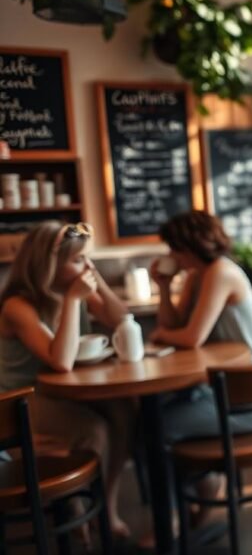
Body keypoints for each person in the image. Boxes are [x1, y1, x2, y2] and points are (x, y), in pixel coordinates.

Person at [0, 221, 134, 537]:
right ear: (49, 264)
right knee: (95, 431)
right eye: (77, 260)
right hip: (21, 400)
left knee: (125, 412)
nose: (85, 266)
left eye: (87, 259)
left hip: (61, 394)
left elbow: (121, 320)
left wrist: (96, 279)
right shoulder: (18, 305)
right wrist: (74, 301)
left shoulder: (75, 289)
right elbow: (60, 361)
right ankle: (81, 515)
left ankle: (108, 508)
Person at [148, 211, 252, 533]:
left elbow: (190, 337)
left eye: (173, 248)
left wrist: (160, 337)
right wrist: (163, 287)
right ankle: (201, 485)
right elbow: (174, 325)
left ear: (189, 246)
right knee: (153, 415)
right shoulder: (197, 275)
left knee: (154, 427)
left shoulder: (221, 272)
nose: (171, 256)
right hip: (224, 390)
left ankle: (174, 521)